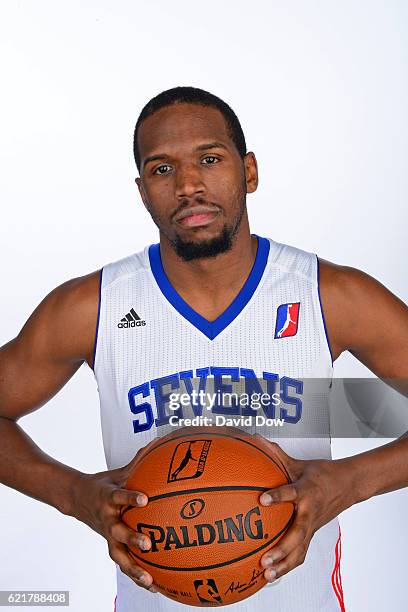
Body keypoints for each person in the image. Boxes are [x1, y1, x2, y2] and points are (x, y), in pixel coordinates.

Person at [0, 85, 407, 612]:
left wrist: (347, 483)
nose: (189, 185)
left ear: (250, 172)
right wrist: (73, 495)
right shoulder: (90, 308)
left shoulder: (330, 296)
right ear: (143, 191)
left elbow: (374, 413)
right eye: (161, 169)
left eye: (209, 159)